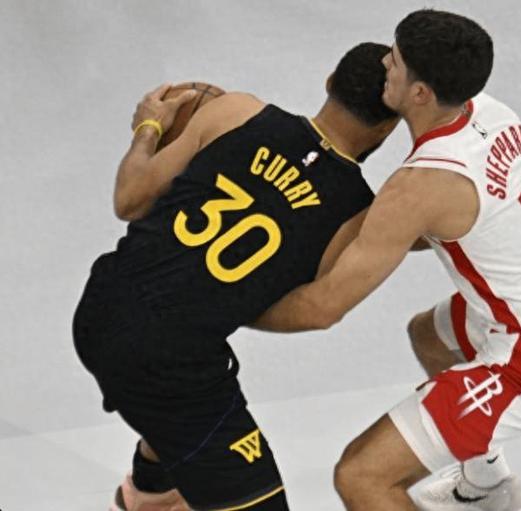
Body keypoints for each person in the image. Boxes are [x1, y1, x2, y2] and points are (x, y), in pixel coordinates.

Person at [255, 9, 521, 511]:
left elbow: (324, 308)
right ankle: (487, 486)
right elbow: (453, 221)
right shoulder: (490, 111)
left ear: (421, 93)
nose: (385, 64)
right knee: (429, 335)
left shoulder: (422, 184)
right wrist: (382, 226)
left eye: (395, 61)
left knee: (361, 476)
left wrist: (227, 310)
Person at [72, 42, 399, 511]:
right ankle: (151, 495)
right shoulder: (356, 215)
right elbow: (316, 311)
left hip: (100, 305)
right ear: (389, 127)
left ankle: (150, 492)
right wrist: (220, 301)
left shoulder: (236, 111)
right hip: (167, 363)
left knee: (181, 408)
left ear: (329, 81)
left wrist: (148, 128)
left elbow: (130, 200)